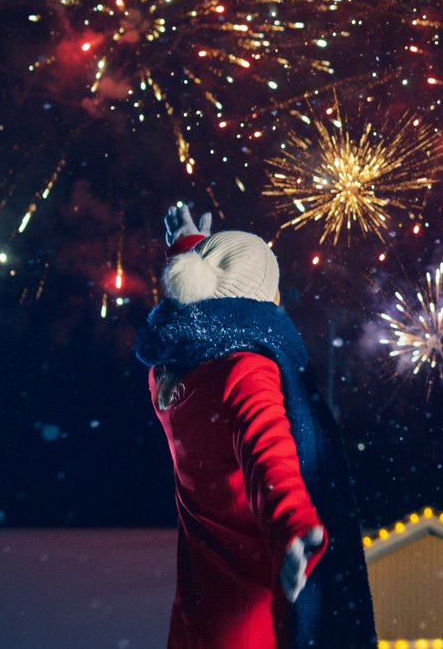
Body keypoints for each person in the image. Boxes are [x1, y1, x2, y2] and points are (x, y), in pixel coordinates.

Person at [136, 204, 377, 648]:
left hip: (198, 613)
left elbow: (199, 307)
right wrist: (294, 524)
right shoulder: (244, 368)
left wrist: (190, 249)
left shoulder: (170, 371)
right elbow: (269, 454)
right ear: (260, 302)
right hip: (253, 620)